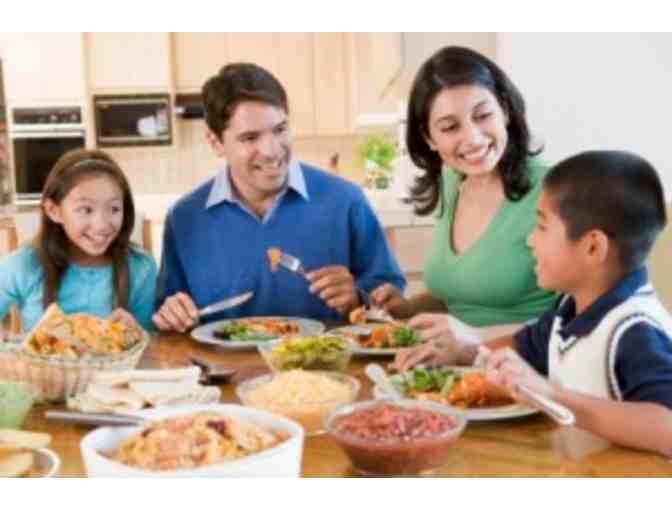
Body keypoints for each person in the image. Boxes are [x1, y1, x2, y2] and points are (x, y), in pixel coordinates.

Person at [400, 150, 672, 455]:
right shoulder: (569, 307)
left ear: (593, 247)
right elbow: (524, 346)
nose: (530, 240)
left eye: (541, 227)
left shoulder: (635, 329)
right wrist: (463, 352)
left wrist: (550, 395)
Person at [154, 62, 405, 332]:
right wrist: (170, 315)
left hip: (325, 371)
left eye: (279, 130)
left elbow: (393, 301)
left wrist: (359, 298)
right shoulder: (184, 219)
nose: (272, 151)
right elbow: (165, 318)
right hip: (220, 371)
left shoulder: (345, 201)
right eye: (250, 137)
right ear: (215, 142)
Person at [370, 46, 556, 346]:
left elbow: (578, 324)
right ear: (430, 138)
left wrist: (475, 338)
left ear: (505, 110)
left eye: (482, 115)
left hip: (528, 370)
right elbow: (463, 299)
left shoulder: (553, 189)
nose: (472, 137)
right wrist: (407, 307)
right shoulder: (452, 180)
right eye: (449, 127)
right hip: (458, 367)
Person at [0, 149, 158, 335]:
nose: (101, 225)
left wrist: (136, 333)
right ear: (54, 211)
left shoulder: (141, 266)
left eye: (114, 209)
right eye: (86, 210)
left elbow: (150, 346)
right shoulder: (24, 264)